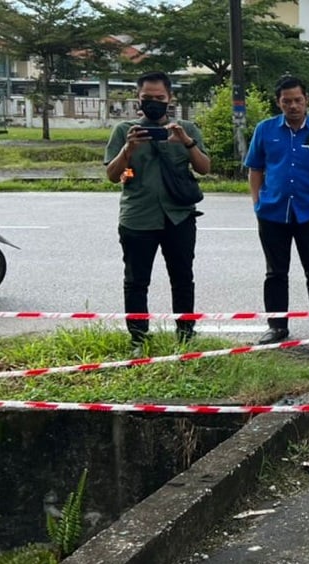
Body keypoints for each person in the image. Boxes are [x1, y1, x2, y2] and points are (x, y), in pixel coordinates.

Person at [103, 71, 210, 356]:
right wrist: (128, 149)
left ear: (169, 98)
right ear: (138, 99)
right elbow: (113, 176)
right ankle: (139, 339)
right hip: (138, 218)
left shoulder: (186, 128)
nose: (153, 103)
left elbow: (204, 168)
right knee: (136, 281)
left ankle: (186, 335)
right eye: (147, 98)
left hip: (179, 217)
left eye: (159, 98)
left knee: (183, 277)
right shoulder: (124, 130)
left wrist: (186, 142)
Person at [245, 76, 309, 344]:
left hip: (308, 212)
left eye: (298, 100)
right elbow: (255, 168)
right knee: (275, 272)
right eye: (286, 101)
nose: (293, 106)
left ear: (306, 100)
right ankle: (277, 326)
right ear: (278, 102)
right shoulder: (265, 130)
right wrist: (257, 203)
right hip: (272, 212)